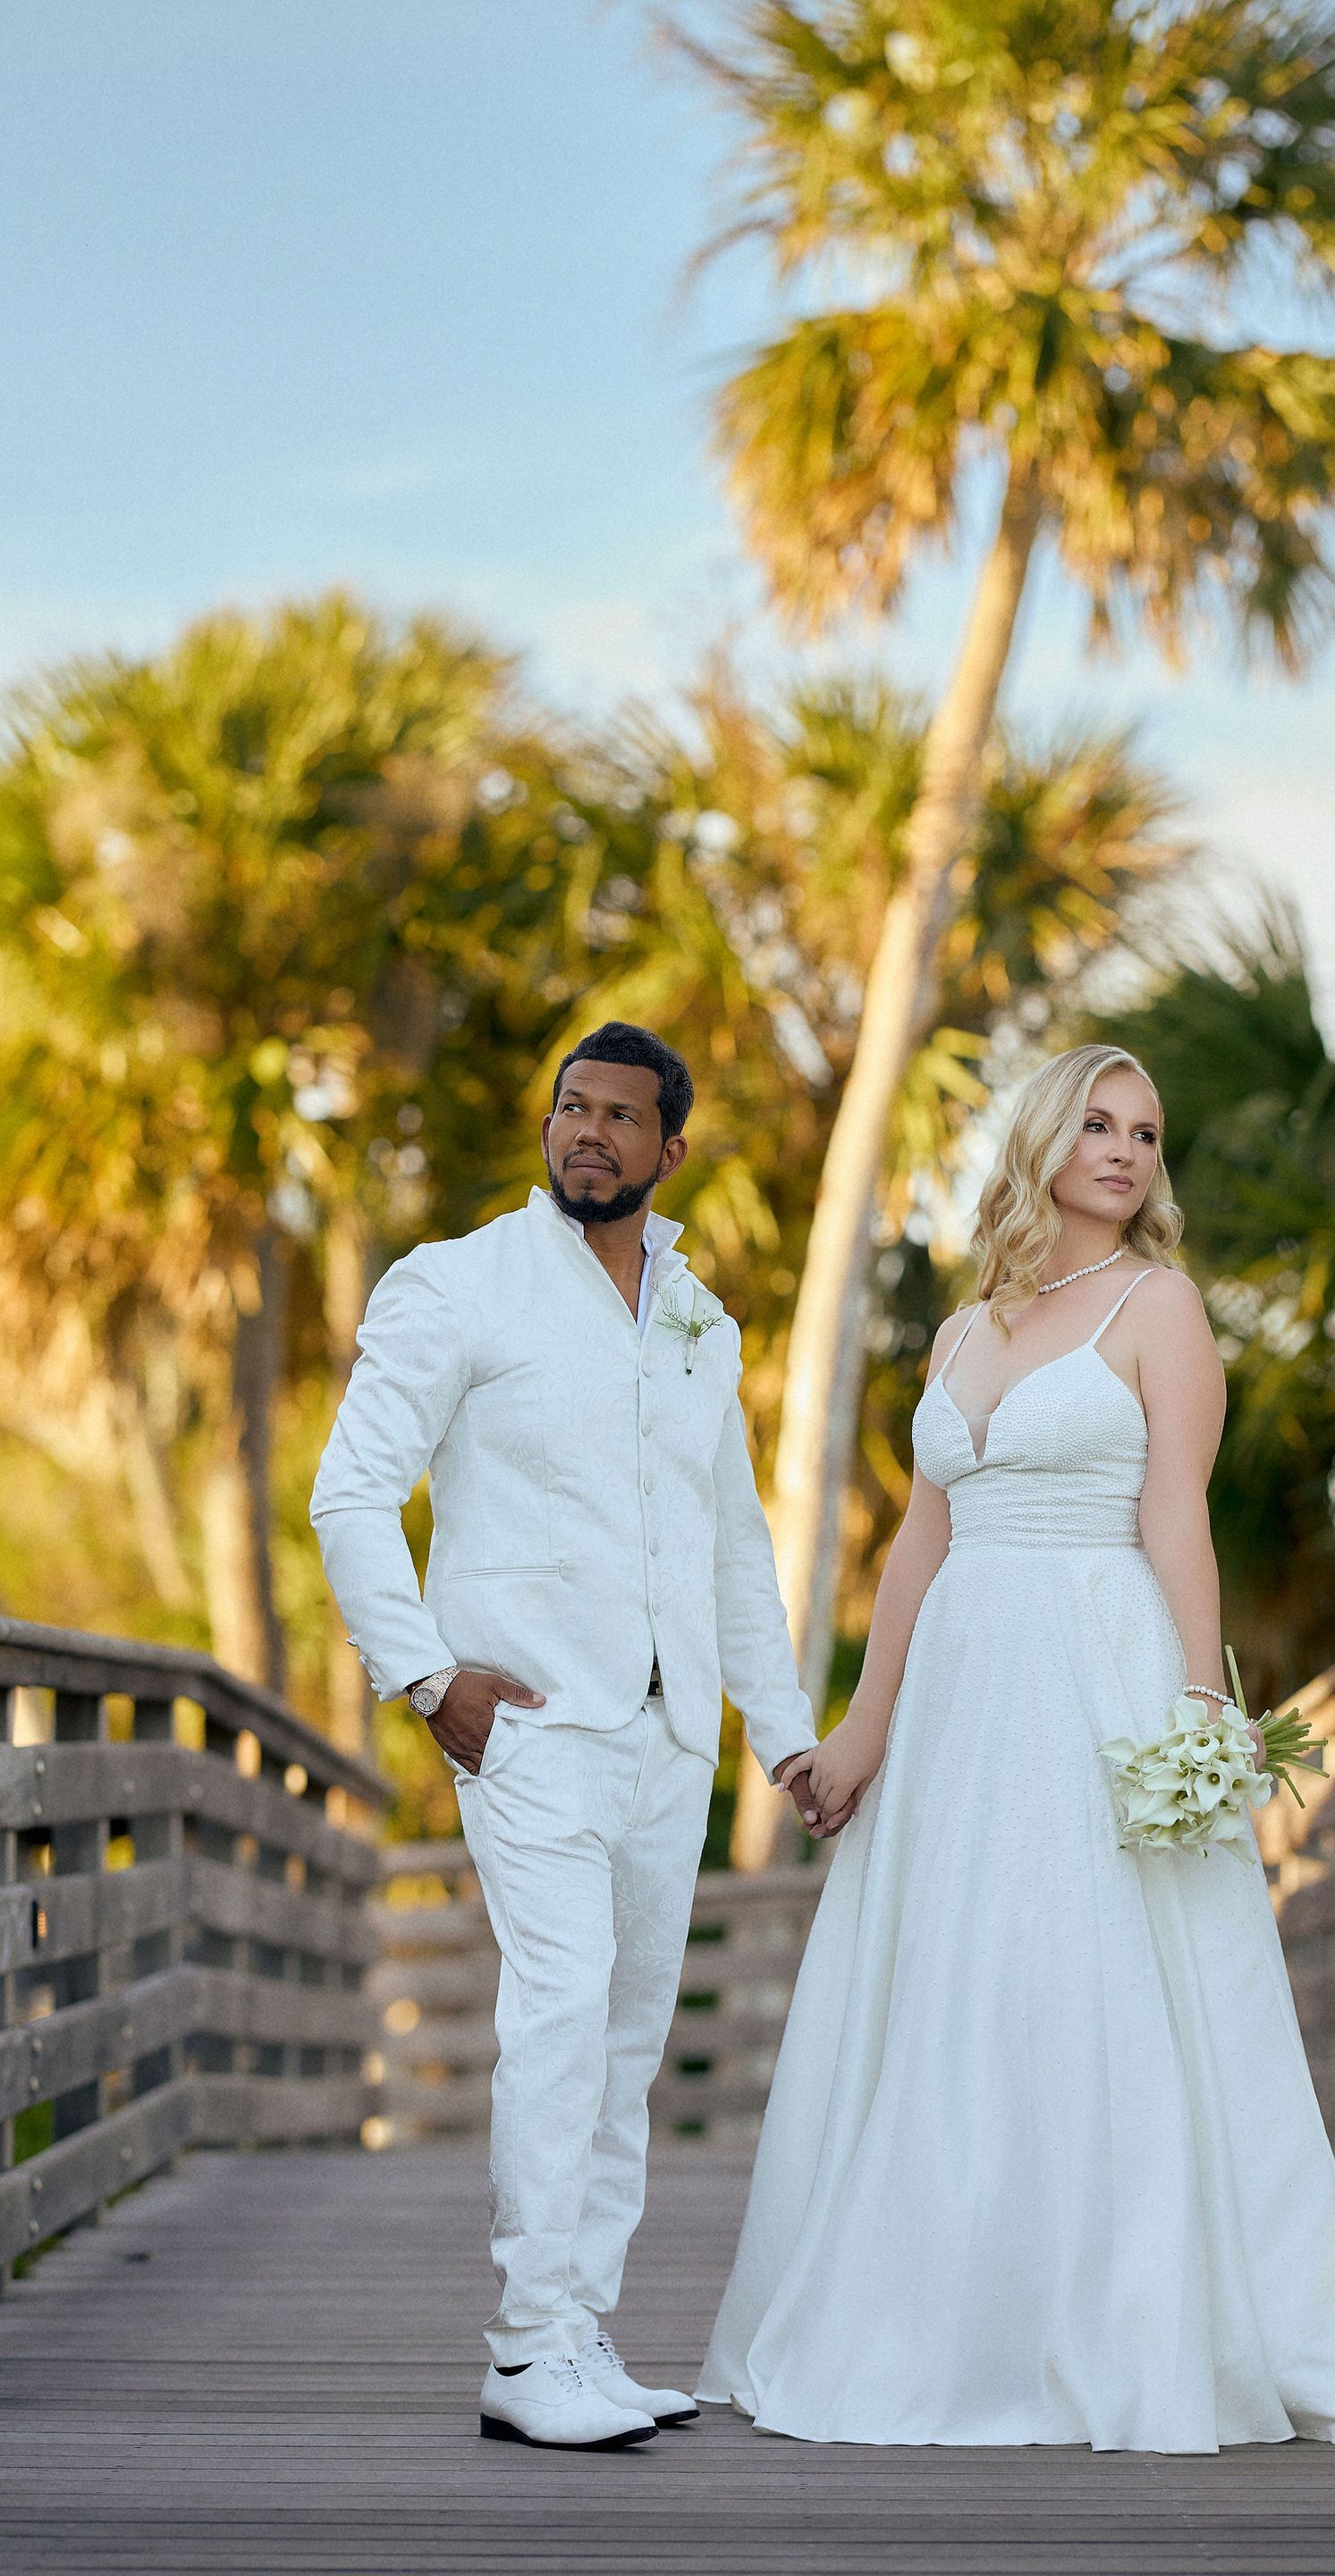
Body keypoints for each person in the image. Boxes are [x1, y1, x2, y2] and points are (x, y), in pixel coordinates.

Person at [705, 1043, 1335, 2452]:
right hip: (962, 1695)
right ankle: (938, 2313)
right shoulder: (968, 1326)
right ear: (1042, 1135)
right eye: (1098, 1124)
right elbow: (923, 1535)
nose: (1123, 1151)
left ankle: (1119, 2327)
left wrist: (1198, 1710)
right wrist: (862, 1724)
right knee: (951, 1981)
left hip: (1095, 1665)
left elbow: (1177, 1517)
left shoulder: (1160, 1308)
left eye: (1147, 1134)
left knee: (1092, 1979)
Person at [311, 1021, 824, 2453]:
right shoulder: (460, 1284)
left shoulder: (699, 1320)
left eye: (620, 1118)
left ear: (672, 1149)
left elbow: (731, 1542)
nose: (588, 1133)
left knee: (625, 2039)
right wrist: (428, 1680)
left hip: (670, 1740)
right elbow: (351, 1494)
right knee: (559, 2012)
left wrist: (778, 1731)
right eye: (571, 1108)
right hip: (527, 1724)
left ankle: (581, 2332)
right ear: (550, 1124)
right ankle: (527, 2349)